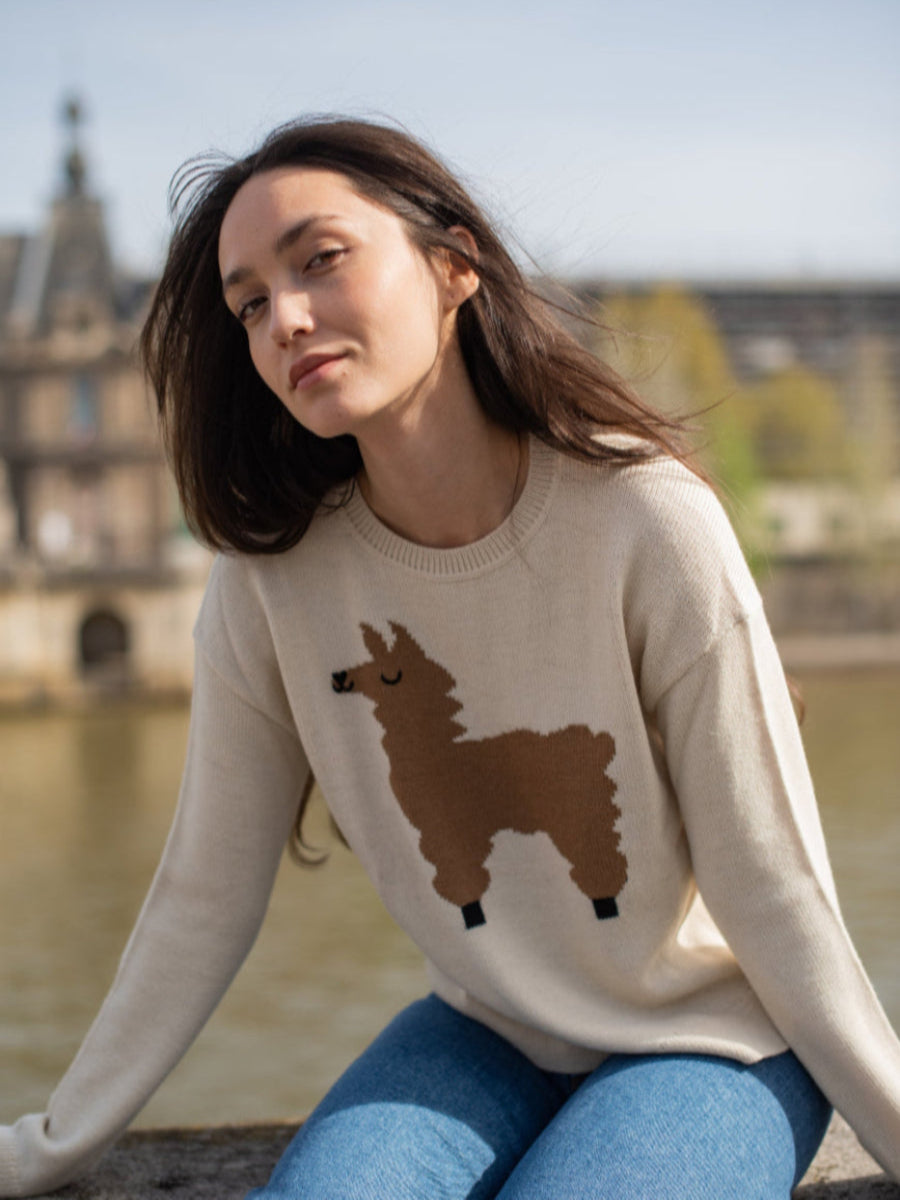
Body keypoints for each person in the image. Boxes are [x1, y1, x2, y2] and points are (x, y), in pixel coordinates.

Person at [1, 116, 898, 1200]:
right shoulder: (269, 580)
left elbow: (778, 890)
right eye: (247, 304)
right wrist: (53, 1142)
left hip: (709, 1037)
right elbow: (201, 894)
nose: (283, 317)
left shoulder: (643, 519)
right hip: (481, 1034)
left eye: (319, 261)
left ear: (452, 264)